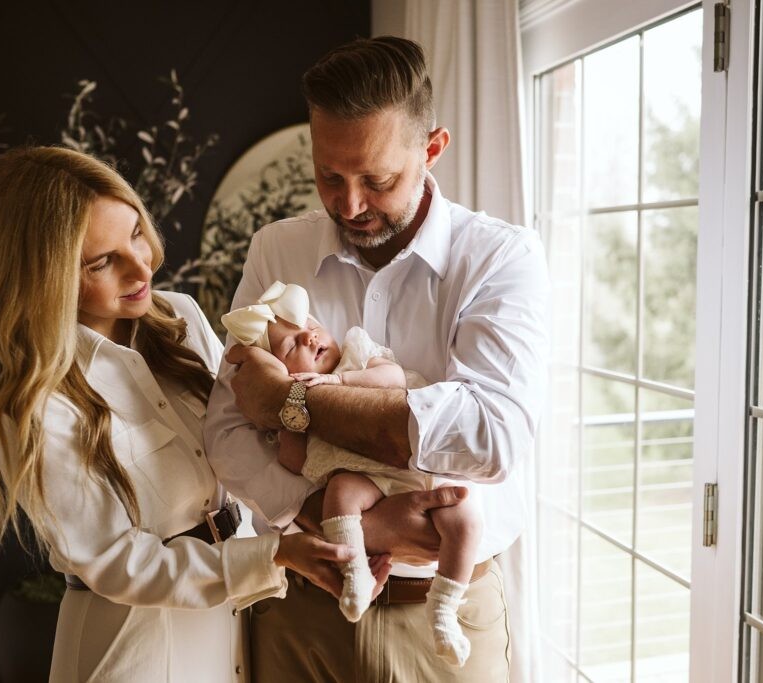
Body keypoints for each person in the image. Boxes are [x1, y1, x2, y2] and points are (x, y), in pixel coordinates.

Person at [0, 146, 381, 683]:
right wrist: (274, 555)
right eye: (101, 261)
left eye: (135, 233)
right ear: (43, 278)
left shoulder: (180, 317)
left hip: (229, 627)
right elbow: (116, 561)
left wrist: (346, 527)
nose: (143, 266)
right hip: (133, 648)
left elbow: (243, 446)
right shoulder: (37, 401)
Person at [204, 36, 549, 682]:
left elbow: (491, 433)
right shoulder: (276, 251)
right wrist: (349, 523)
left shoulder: (502, 259)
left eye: (377, 179)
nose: (351, 203)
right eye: (329, 176)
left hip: (446, 617)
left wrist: (289, 402)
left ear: (432, 148)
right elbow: (226, 429)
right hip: (302, 604)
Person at [222, 281, 481, 666]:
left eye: (310, 326)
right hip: (366, 482)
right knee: (339, 493)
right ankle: (355, 572)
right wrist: (284, 403)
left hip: (418, 471)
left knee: (464, 519)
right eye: (291, 346)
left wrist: (337, 383)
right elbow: (293, 463)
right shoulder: (294, 406)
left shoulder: (356, 355)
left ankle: (444, 608)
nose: (309, 337)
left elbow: (392, 379)